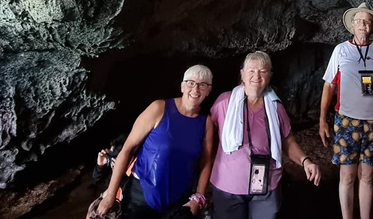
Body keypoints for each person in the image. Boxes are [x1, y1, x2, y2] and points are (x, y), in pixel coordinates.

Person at [210, 51, 321, 219]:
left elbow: (287, 141)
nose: (257, 75)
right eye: (252, 70)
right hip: (228, 187)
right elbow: (208, 136)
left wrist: (305, 161)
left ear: (270, 76)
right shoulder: (224, 102)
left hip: (267, 185)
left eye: (263, 71)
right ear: (242, 74)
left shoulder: (276, 107)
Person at [97, 65, 216, 219]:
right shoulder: (159, 108)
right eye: (191, 83)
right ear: (182, 86)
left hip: (178, 202)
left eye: (203, 85)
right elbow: (127, 149)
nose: (196, 89)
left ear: (208, 91)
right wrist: (110, 195)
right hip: (140, 197)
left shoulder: (206, 122)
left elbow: (206, 162)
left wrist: (198, 197)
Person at [319, 3, 373, 219]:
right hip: (346, 121)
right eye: (358, 20)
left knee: (367, 176)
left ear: (372, 27)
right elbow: (329, 85)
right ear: (351, 25)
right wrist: (322, 119)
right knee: (347, 176)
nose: (362, 24)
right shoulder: (341, 50)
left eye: (366, 21)